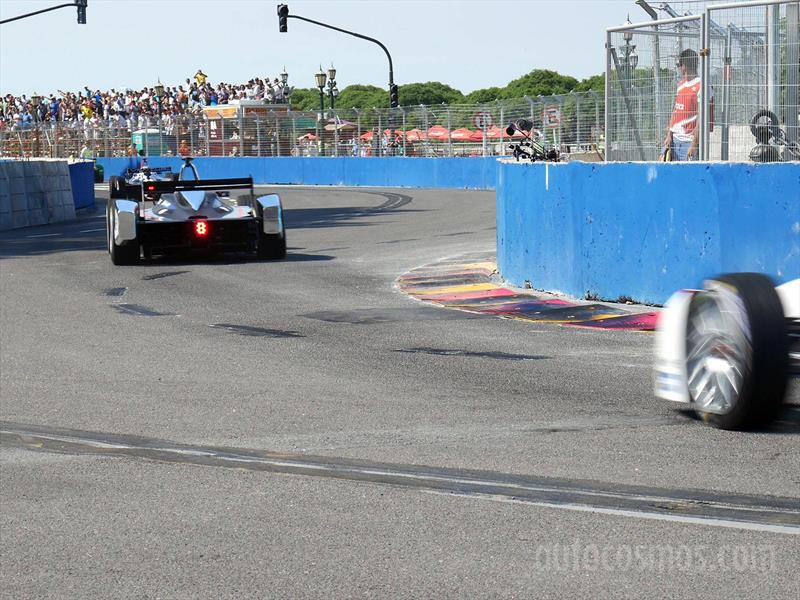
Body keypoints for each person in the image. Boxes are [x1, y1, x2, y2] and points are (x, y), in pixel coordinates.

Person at [663, 49, 710, 161]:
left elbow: (702, 116)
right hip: (674, 140)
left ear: (684, 66)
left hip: (688, 142)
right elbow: (675, 110)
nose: (678, 68)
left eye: (679, 65)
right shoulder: (681, 84)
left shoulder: (701, 85)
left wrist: (694, 144)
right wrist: (669, 134)